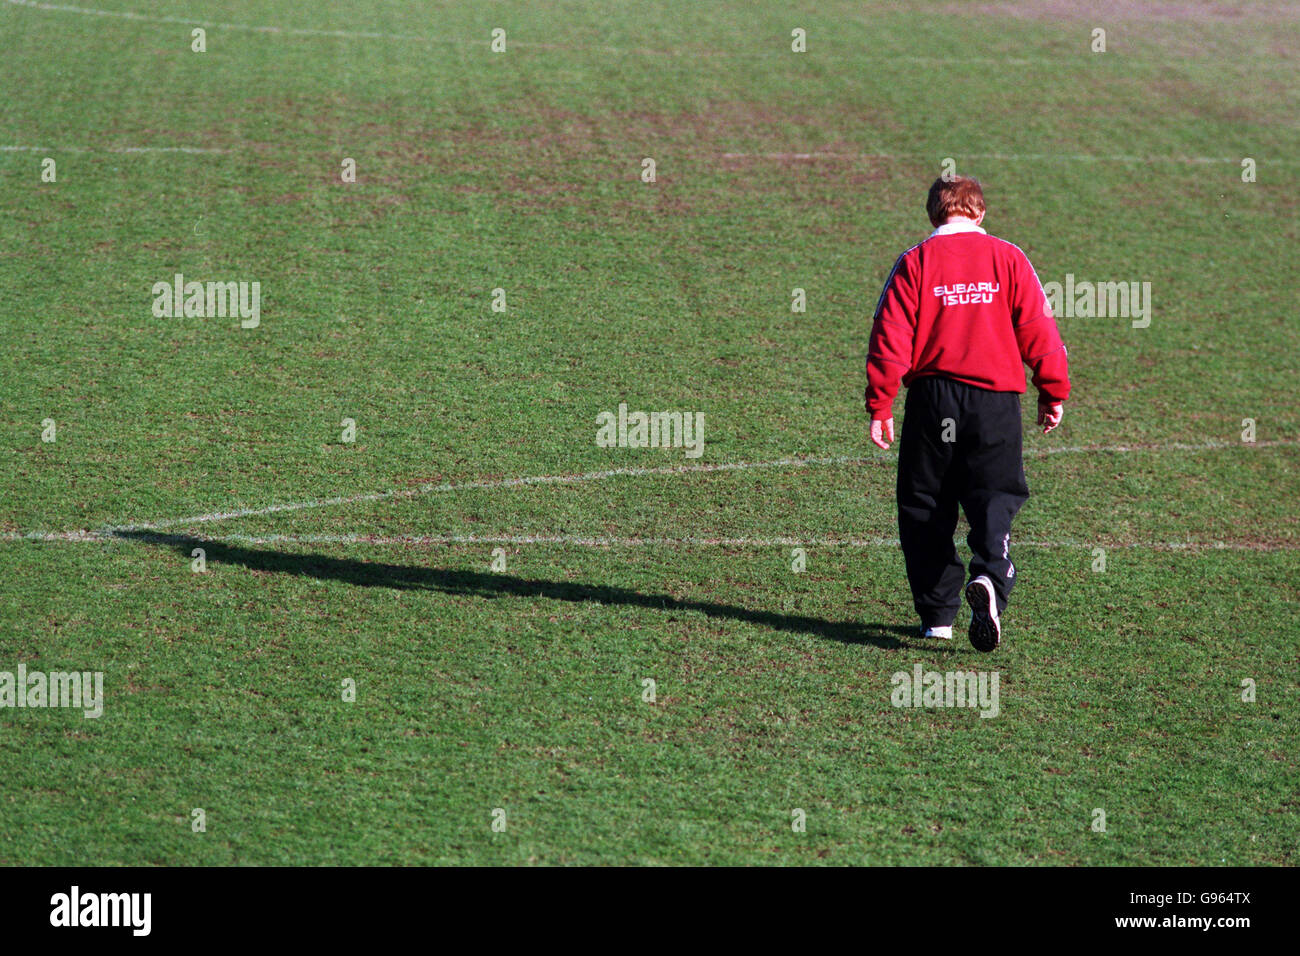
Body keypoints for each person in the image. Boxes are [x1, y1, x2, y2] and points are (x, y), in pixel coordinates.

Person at [864, 176, 1070, 651]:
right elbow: (1038, 326)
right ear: (979, 213)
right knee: (994, 497)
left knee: (925, 504)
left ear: (934, 215)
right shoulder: (1009, 257)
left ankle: (938, 616)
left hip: (933, 399)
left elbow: (889, 335)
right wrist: (1052, 390)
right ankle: (992, 581)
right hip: (995, 401)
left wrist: (880, 403)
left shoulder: (914, 261)